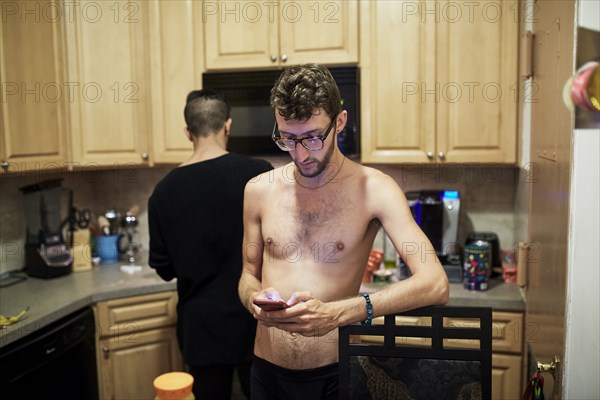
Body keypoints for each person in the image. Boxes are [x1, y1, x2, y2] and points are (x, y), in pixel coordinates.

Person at [238, 64, 450, 399]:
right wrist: (253, 299)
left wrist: (340, 313)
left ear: (339, 122)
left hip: (339, 374)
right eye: (288, 139)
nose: (301, 153)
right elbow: (248, 274)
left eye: (312, 137)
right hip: (266, 373)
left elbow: (435, 284)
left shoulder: (376, 189)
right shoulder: (258, 190)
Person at [148, 89, 273, 399]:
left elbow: (163, 268)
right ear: (228, 126)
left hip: (201, 329)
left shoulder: (162, 192)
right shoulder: (259, 175)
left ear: (188, 132)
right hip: (255, 318)